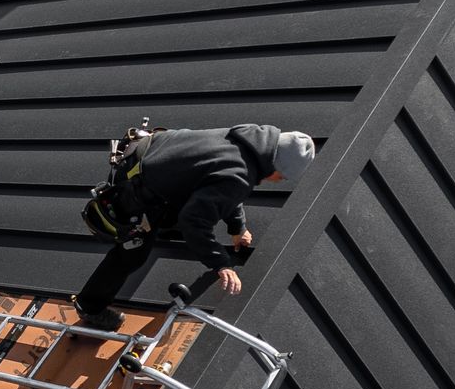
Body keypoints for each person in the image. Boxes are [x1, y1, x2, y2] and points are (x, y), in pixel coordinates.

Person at [74, 124, 315, 330]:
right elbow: (196, 221)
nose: (277, 182)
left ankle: (165, 222)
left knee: (182, 213)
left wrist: (237, 227)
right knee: (132, 254)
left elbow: (221, 183)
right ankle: (90, 307)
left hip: (146, 153)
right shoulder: (239, 176)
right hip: (137, 184)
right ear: (275, 166)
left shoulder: (247, 140)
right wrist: (220, 263)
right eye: (281, 177)